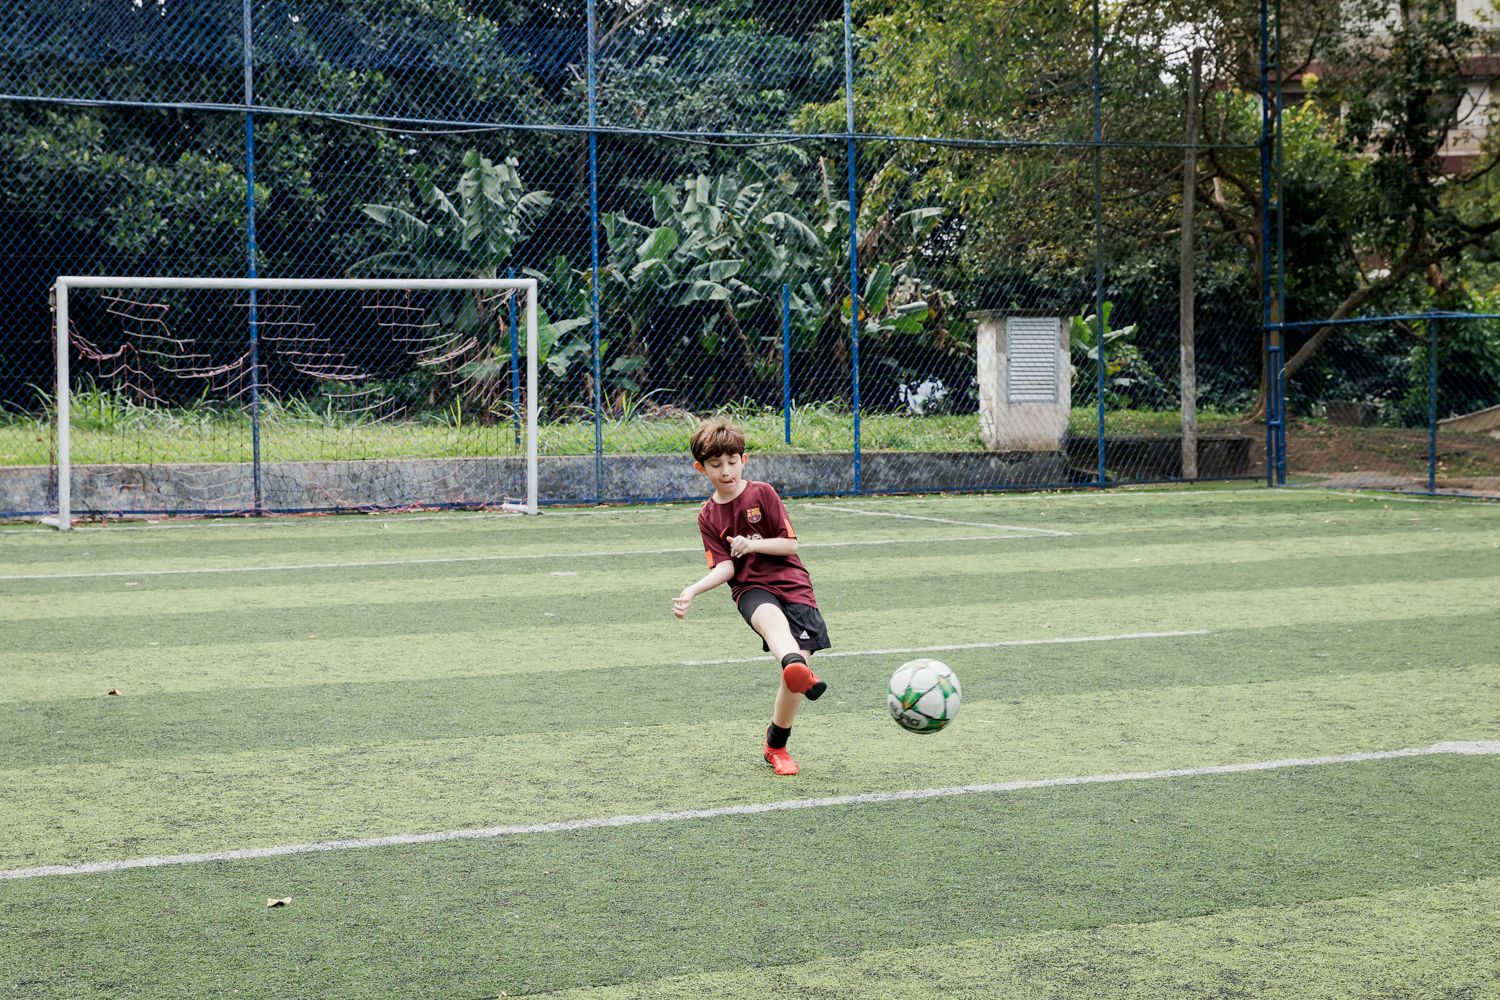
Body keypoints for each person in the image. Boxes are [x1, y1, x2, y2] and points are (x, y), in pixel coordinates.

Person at [672, 417, 831, 776]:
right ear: (701, 468)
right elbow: (725, 567)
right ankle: (794, 662)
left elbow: (789, 544)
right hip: (750, 588)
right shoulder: (707, 515)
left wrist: (754, 543)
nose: (725, 471)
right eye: (716, 465)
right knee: (772, 623)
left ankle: (776, 745)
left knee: (792, 683)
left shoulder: (763, 493)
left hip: (793, 583)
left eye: (732, 462)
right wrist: (692, 589)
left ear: (744, 459)